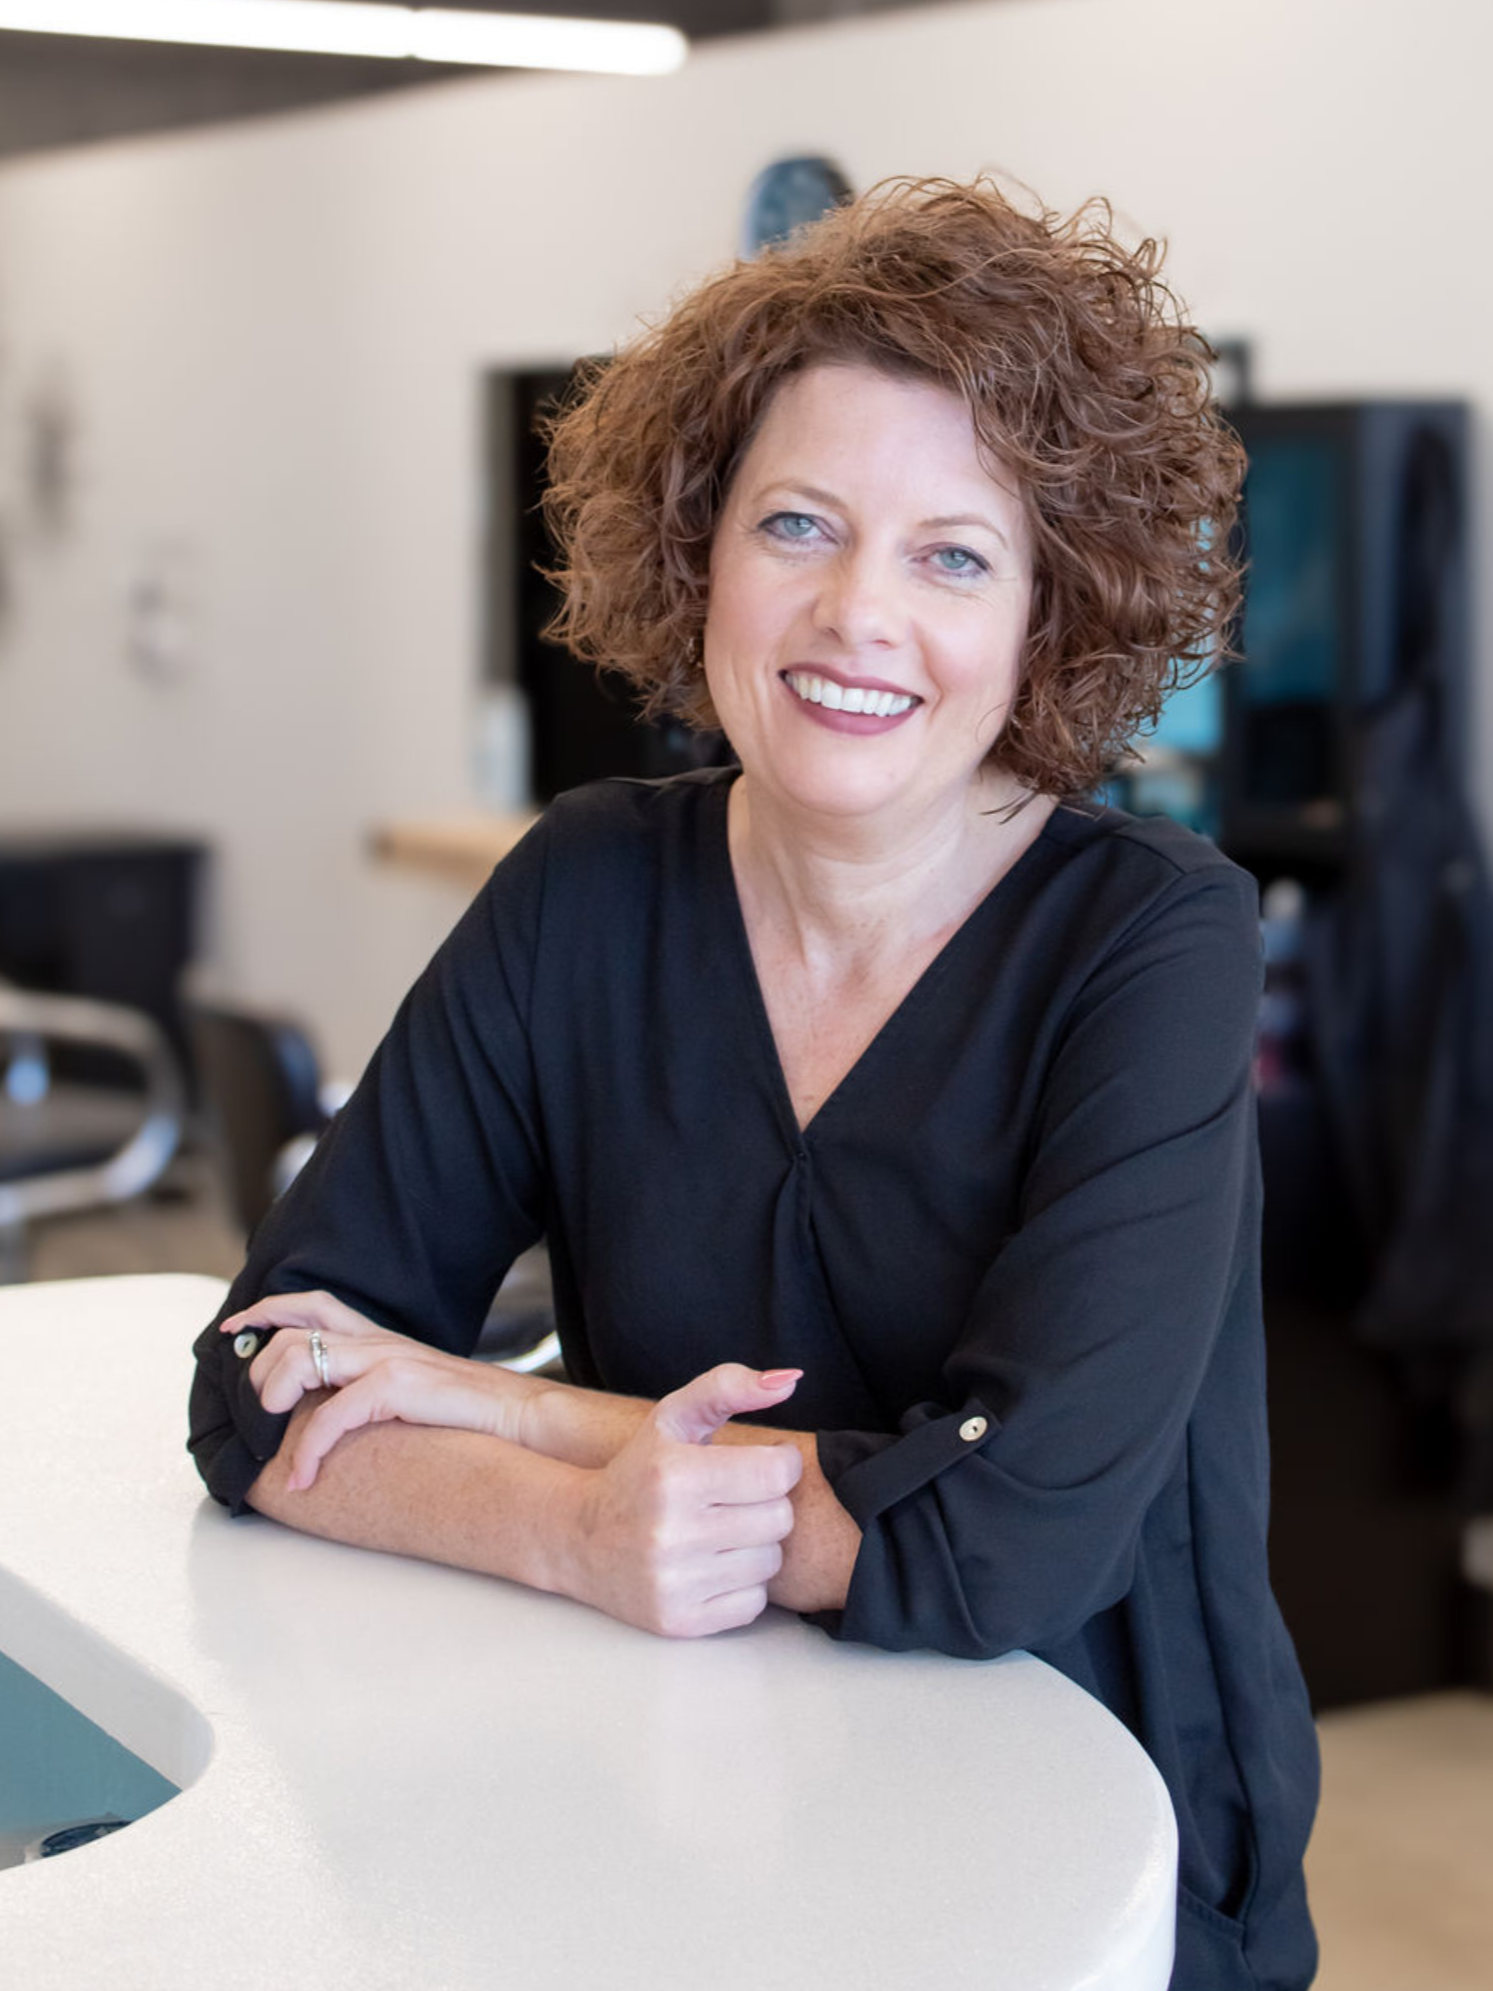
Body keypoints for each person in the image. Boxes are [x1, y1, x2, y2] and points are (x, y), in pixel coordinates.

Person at [189, 177, 1319, 1988]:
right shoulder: (584, 888)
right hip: (683, 1845)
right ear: (702, 546)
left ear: (1050, 612)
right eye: (800, 524)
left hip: (1099, 1866)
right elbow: (263, 1386)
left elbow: (998, 1543)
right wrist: (571, 1537)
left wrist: (535, 1422)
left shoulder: (1152, 942)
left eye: (955, 554)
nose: (859, 611)